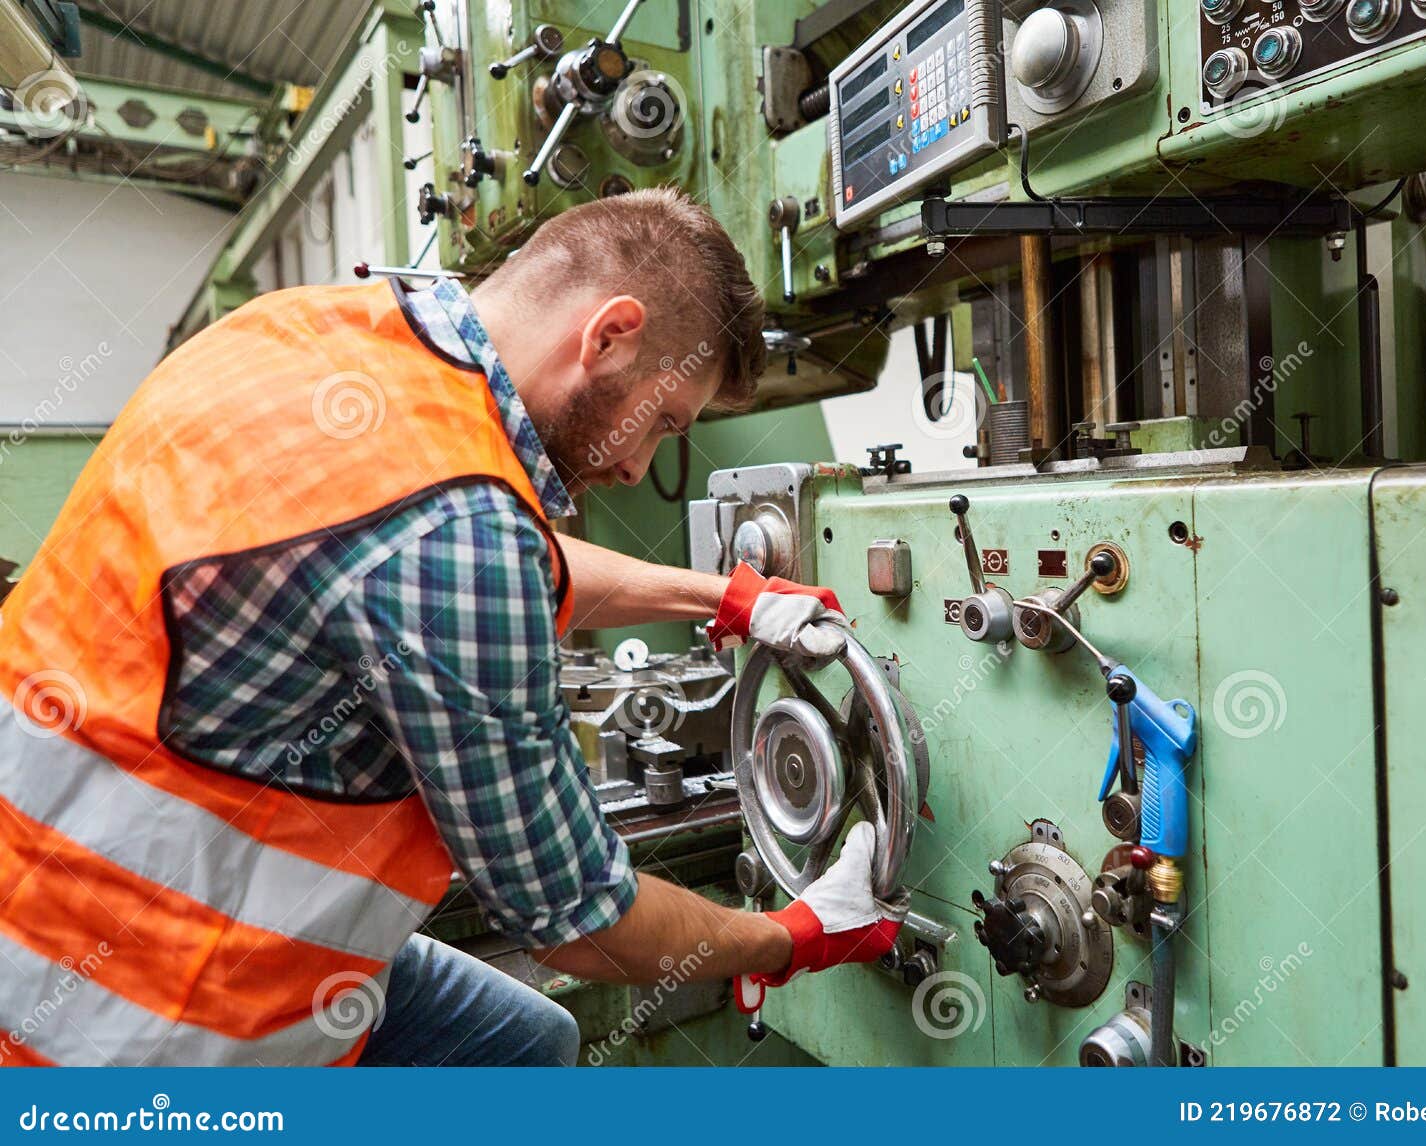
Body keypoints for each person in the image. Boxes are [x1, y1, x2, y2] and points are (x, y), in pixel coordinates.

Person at [0, 189, 900, 1067]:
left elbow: (442, 551)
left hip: (45, 883)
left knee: (527, 1038)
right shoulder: (464, 534)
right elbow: (578, 917)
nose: (637, 467)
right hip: (127, 1027)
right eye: (661, 422)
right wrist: (796, 934)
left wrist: (723, 598)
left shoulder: (304, 332)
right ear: (609, 334)